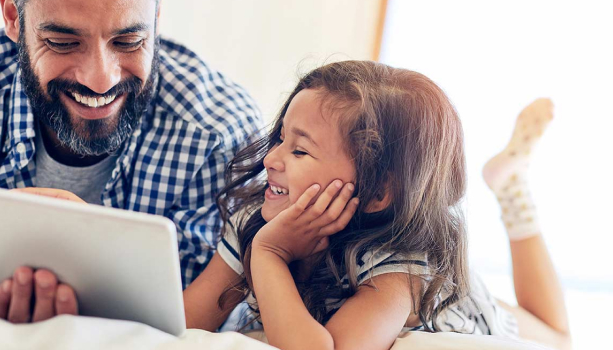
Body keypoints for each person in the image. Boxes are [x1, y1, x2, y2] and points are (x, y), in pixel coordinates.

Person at [183, 61, 571, 350]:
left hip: (459, 304)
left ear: (376, 192)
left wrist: (269, 255)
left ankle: (511, 187)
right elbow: (187, 319)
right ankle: (510, 181)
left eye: (299, 150)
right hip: (429, 271)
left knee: (558, 337)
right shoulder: (255, 220)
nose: (271, 160)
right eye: (280, 139)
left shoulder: (399, 270)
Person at [0, 0, 262, 323]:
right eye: (63, 43)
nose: (100, 80)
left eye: (129, 42)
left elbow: (189, 328)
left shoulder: (217, 138)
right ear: (12, 16)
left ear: (157, 18)